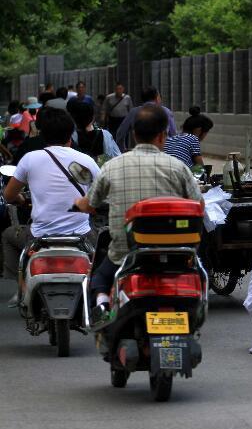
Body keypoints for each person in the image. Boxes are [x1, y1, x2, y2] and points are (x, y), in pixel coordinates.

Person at [74, 105, 203, 315]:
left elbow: (90, 205)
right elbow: (199, 207)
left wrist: (79, 203)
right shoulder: (178, 168)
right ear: (163, 136)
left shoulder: (112, 167)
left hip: (127, 256)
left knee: (99, 277)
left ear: (134, 135)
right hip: (176, 255)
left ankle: (103, 305)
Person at [2, 108, 101, 305]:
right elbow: (101, 194)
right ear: (70, 135)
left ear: (42, 135)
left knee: (8, 235)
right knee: (105, 249)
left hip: (40, 236)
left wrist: (21, 199)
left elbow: (9, 195)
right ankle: (99, 293)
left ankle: (22, 288)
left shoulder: (30, 159)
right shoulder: (86, 160)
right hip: (81, 235)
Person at [115, 86, 177, 151]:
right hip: (163, 152)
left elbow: (120, 134)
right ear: (157, 98)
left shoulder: (133, 112)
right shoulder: (166, 111)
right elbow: (174, 135)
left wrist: (122, 150)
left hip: (140, 152)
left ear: (135, 135)